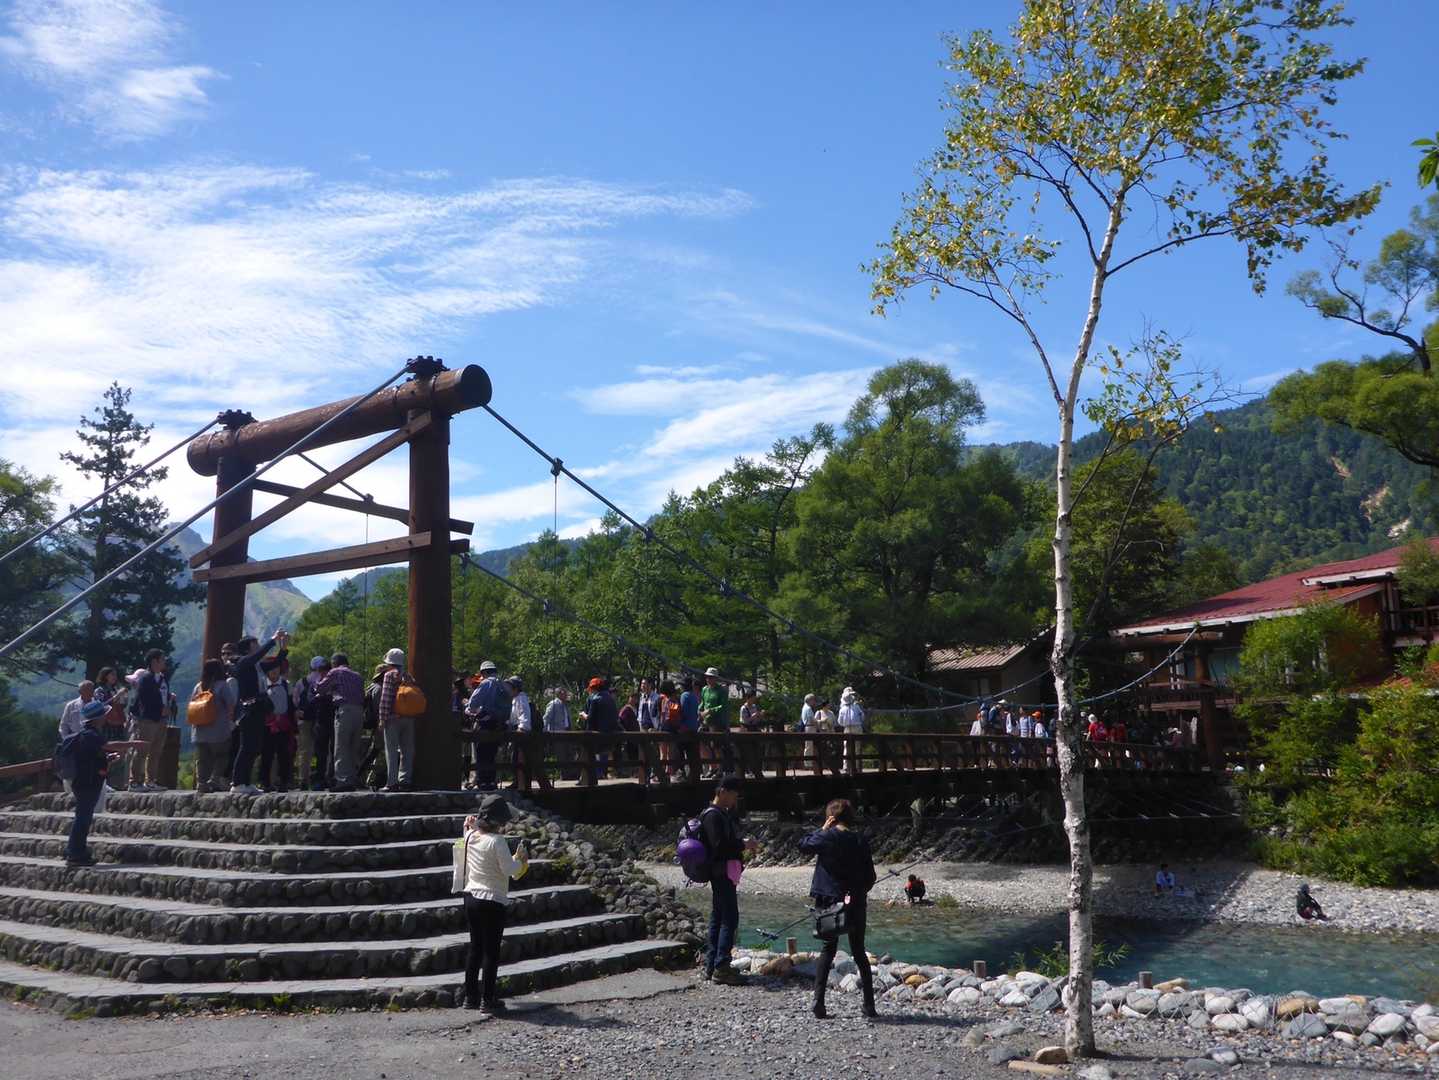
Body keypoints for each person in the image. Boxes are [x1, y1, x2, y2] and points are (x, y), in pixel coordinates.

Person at [799, 798, 877, 1019]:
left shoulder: (827, 836)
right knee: (859, 951)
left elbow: (803, 846)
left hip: (828, 901)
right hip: (855, 901)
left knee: (828, 950)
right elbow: (871, 877)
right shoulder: (860, 840)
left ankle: (819, 1002)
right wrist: (858, 892)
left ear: (831, 818)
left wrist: (823, 829)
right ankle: (869, 1005)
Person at [455, 793, 530, 1014]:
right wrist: (521, 860)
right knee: (491, 951)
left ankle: (470, 997)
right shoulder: (497, 841)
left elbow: (467, 831)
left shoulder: (470, 836)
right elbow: (509, 870)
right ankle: (488, 1000)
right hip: (492, 900)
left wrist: (468, 825)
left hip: (471, 897)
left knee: (475, 948)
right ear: (499, 821)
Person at [699, 776, 758, 983]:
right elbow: (719, 847)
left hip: (721, 872)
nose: (734, 800)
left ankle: (712, 965)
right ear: (722, 791)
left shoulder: (719, 814)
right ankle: (722, 967)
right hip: (721, 872)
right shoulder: (713, 815)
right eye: (733, 795)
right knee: (729, 918)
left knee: (718, 917)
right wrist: (743, 844)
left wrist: (740, 843)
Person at [227, 631, 287, 795]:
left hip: (258, 708)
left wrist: (283, 647)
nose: (259, 646)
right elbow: (259, 655)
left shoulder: (256, 665)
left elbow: (277, 663)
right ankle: (237, 782)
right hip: (248, 709)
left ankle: (246, 782)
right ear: (248, 648)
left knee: (255, 747)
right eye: (255, 643)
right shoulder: (243, 662)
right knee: (246, 746)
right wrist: (272, 640)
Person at [63, 700, 118, 867]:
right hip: (88, 782)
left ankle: (75, 851)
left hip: (82, 781)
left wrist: (107, 759)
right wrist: (134, 744)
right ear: (97, 718)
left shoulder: (86, 735)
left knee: (82, 816)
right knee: (83, 818)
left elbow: (91, 758)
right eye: (104, 715)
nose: (105, 717)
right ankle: (75, 853)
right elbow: (108, 746)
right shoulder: (92, 735)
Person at [313, 651, 363, 791]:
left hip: (344, 710)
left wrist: (318, 678)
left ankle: (342, 781)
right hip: (359, 712)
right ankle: (352, 779)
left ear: (334, 663)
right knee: (353, 747)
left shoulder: (336, 672)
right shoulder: (357, 675)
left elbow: (320, 688)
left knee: (341, 746)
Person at [192, 658, 237, 793]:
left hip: (199, 730)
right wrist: (230, 720)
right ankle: (214, 780)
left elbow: (192, 704)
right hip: (218, 730)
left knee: (203, 759)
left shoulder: (199, 686)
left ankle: (201, 783)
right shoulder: (222, 685)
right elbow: (231, 704)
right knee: (222, 756)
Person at [374, 648, 416, 792]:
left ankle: (392, 783)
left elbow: (385, 698)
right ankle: (405, 781)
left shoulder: (389, 675)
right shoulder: (408, 675)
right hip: (409, 718)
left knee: (391, 751)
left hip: (393, 718)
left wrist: (382, 718)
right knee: (407, 750)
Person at [131, 649, 171, 791]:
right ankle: (134, 781)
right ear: (154, 661)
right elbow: (144, 699)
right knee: (142, 750)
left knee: (156, 751)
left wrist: (167, 706)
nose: (164, 662)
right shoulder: (145, 678)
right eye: (162, 659)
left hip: (161, 719)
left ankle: (151, 781)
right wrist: (160, 708)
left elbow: (164, 695)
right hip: (147, 719)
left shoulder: (163, 678)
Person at [466, 661, 510, 791]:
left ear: (484, 672)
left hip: (486, 723)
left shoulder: (486, 683)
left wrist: (470, 709)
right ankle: (491, 782)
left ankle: (483, 782)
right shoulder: (503, 684)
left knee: (481, 754)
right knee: (492, 754)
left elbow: (473, 703)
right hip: (500, 724)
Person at [295, 657, 335, 791]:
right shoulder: (327, 678)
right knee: (324, 750)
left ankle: (303, 780)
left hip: (304, 719)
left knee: (305, 751)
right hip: (322, 718)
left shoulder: (302, 681)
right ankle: (325, 777)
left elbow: (295, 700)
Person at [582, 677, 619, 781]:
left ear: (594, 688)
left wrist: (583, 715)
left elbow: (590, 718)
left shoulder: (595, 699)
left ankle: (594, 776)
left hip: (598, 733)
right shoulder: (611, 699)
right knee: (604, 754)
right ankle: (601, 773)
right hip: (611, 732)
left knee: (592, 754)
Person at [542, 685, 575, 781]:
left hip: (568, 731)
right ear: (559, 694)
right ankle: (564, 775)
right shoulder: (553, 704)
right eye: (564, 692)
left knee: (570, 753)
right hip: (558, 733)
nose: (566, 694)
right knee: (561, 755)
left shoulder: (566, 704)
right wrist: (544, 732)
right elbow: (546, 718)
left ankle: (570, 775)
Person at [678, 676, 702, 780]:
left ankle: (681, 773)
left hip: (685, 728)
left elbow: (684, 712)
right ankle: (694, 775)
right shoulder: (694, 696)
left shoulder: (684, 695)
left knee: (679, 750)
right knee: (693, 753)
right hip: (694, 727)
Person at [837, 687, 864, 775]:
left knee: (847, 748)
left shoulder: (842, 709)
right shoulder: (856, 706)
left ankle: (846, 767)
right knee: (857, 748)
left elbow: (840, 722)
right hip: (857, 728)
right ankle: (857, 767)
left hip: (847, 728)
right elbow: (862, 717)